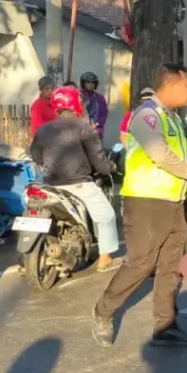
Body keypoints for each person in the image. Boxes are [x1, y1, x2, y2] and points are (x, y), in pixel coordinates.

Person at [91, 63, 187, 348]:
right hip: (145, 202)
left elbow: (176, 155)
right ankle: (103, 312)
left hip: (172, 201)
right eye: (186, 85)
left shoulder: (173, 119)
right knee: (141, 263)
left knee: (171, 266)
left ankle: (165, 325)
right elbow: (159, 154)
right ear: (170, 85)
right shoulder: (147, 116)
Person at [29, 87, 122, 273]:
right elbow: (99, 163)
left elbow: (36, 156)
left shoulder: (43, 130)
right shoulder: (84, 127)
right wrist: (111, 167)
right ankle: (105, 259)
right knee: (106, 216)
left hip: (50, 186)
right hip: (79, 184)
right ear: (75, 105)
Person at [79, 71, 109, 138]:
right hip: (81, 131)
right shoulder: (78, 96)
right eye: (88, 82)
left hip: (96, 131)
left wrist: (96, 124)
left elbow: (104, 114)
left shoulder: (100, 98)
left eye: (93, 82)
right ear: (83, 83)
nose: (91, 84)